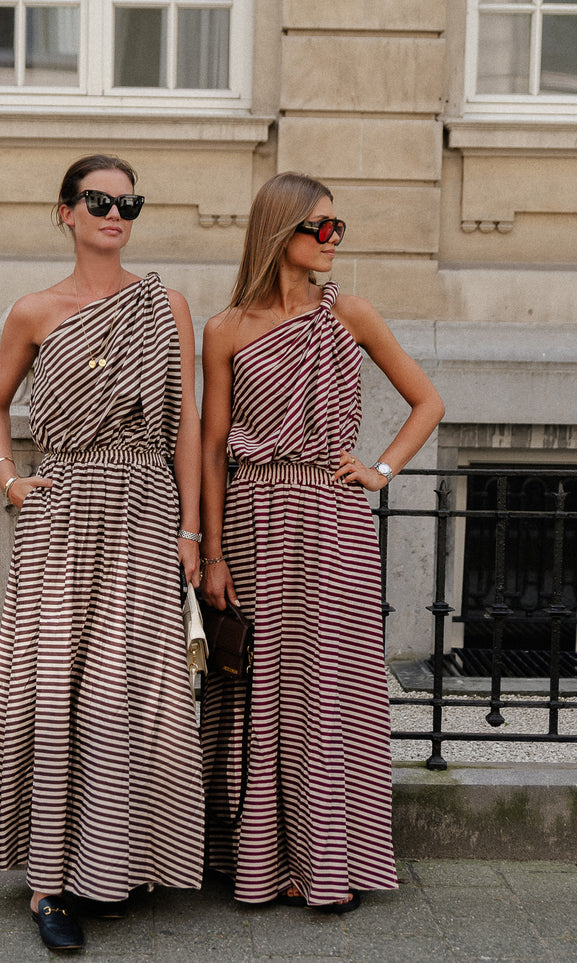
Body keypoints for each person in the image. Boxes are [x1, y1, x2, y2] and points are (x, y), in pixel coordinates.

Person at [0, 154, 207, 951]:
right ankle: (47, 885)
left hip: (144, 508)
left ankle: (110, 867)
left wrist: (188, 530)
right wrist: (10, 478)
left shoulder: (164, 302)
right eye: (98, 201)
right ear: (64, 212)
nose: (115, 213)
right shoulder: (32, 311)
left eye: (127, 201)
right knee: (53, 685)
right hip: (63, 511)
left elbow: (185, 425)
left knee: (127, 689)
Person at [198, 171, 445, 912]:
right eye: (322, 228)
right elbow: (213, 447)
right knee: (254, 679)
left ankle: (326, 861)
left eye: (339, 228)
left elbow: (427, 400)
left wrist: (378, 468)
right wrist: (211, 554)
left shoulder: (352, 316)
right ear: (281, 232)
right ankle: (253, 859)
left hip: (332, 517)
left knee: (328, 683)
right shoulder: (225, 328)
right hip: (251, 511)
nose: (334, 240)